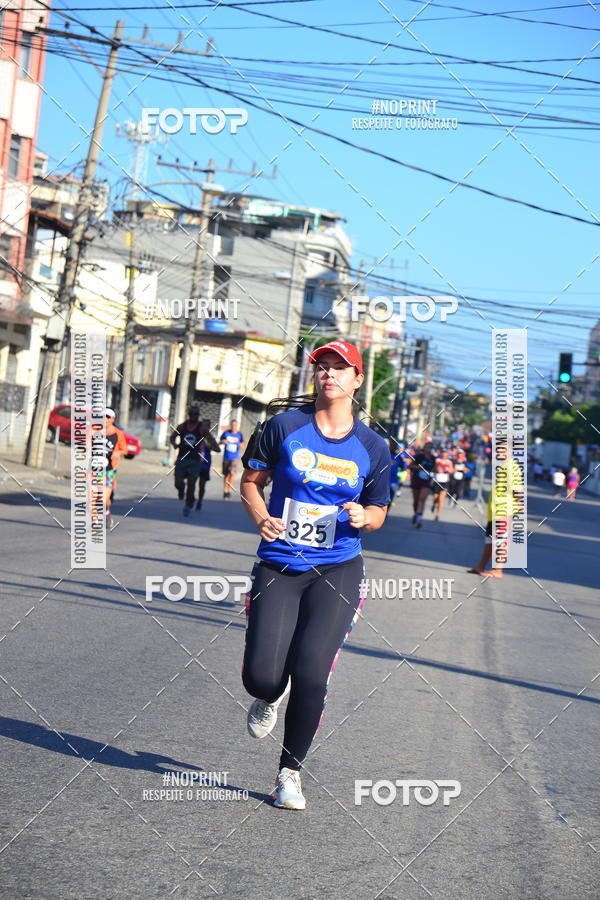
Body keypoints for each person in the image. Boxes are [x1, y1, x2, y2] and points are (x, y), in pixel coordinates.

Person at [240, 339, 391, 810]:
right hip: (280, 563)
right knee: (264, 677)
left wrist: (366, 518)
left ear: (357, 380)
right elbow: (249, 482)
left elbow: (380, 509)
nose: (329, 373)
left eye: (340, 368)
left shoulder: (373, 446)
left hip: (338, 568)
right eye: (322, 366)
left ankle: (289, 774)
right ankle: (269, 694)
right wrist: (262, 516)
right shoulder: (284, 426)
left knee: (311, 672)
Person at [468, 443, 524, 579]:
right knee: (489, 540)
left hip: (504, 510)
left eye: (504, 449)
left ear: (510, 451)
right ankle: (480, 566)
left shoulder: (512, 467)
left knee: (501, 541)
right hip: (494, 510)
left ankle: (498, 570)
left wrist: (520, 503)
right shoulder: (502, 466)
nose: (500, 452)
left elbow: (517, 489)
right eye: (498, 450)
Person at [93, 408, 127, 529]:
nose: (105, 419)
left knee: (102, 499)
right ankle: (95, 521)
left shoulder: (118, 433)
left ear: (112, 419)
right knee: (93, 495)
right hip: (94, 469)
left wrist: (118, 453)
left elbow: (125, 450)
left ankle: (106, 512)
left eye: (107, 417)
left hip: (109, 469)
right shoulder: (94, 430)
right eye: (103, 416)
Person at [170, 404, 206, 516]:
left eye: (196, 414)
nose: (194, 416)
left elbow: (209, 438)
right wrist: (175, 444)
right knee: (178, 482)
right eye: (192, 414)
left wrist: (214, 446)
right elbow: (172, 436)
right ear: (189, 415)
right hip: (182, 458)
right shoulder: (182, 426)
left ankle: (188, 504)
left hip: (195, 460)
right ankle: (181, 489)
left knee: (191, 484)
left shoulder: (201, 427)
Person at [409, 441, 436, 527]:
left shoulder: (433, 458)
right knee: (416, 501)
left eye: (430, 447)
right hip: (416, 479)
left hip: (426, 480)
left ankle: (419, 520)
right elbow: (410, 466)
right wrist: (418, 467)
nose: (428, 449)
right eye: (427, 447)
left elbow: (435, 469)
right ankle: (416, 514)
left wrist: (435, 471)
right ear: (424, 448)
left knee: (422, 499)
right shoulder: (418, 456)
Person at [196, 419, 221, 511]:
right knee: (191, 482)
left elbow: (218, 449)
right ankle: (190, 500)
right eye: (203, 425)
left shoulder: (210, 438)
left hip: (205, 464)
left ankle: (199, 501)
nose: (204, 427)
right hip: (196, 462)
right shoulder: (197, 435)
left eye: (207, 426)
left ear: (209, 427)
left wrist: (210, 446)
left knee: (201, 485)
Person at [220, 419, 245, 499]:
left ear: (237, 426)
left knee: (232, 472)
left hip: (235, 457)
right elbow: (220, 441)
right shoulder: (226, 433)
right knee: (226, 474)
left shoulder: (239, 434)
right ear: (231, 425)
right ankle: (225, 490)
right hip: (226, 457)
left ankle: (229, 490)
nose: (234, 426)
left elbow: (243, 444)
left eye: (235, 425)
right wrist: (223, 441)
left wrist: (239, 444)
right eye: (232, 425)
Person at [431, 448, 453, 520]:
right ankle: (434, 504)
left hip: (445, 482)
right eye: (443, 453)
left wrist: (448, 470)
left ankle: (437, 514)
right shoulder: (437, 461)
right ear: (440, 454)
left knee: (441, 499)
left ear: (447, 454)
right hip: (437, 481)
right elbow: (433, 469)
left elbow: (451, 470)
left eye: (445, 453)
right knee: (435, 498)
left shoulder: (449, 462)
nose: (444, 454)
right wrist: (437, 469)